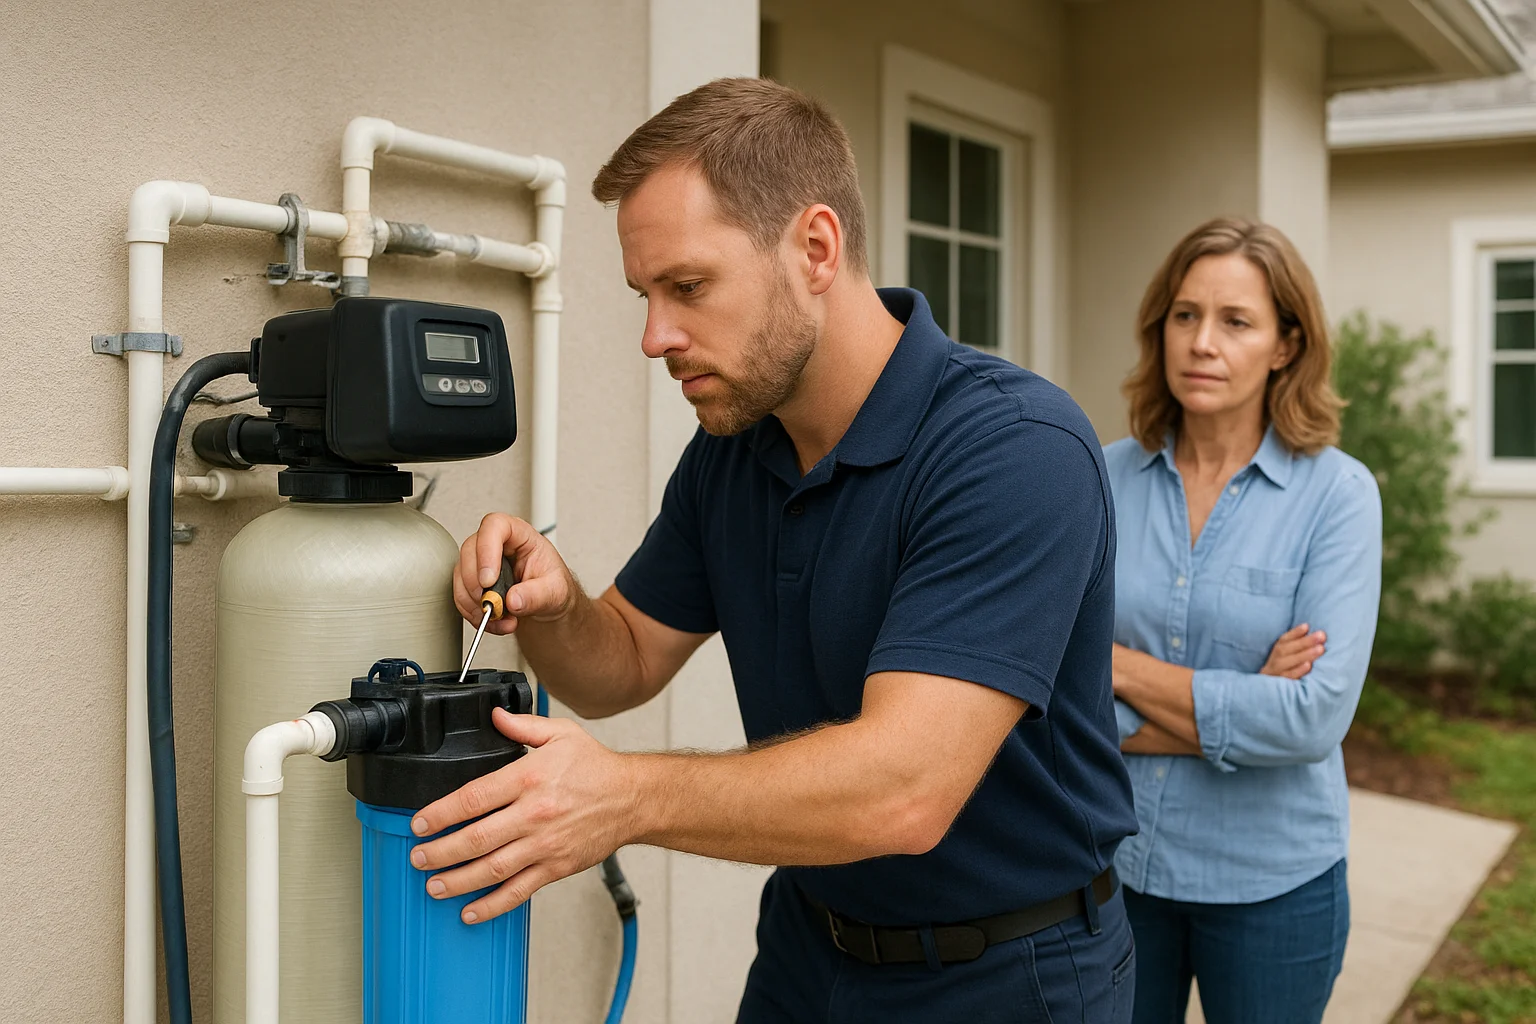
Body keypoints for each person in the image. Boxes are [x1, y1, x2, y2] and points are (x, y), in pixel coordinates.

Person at [405, 77, 1138, 1022]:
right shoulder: (734, 450)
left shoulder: (1014, 449)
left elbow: (904, 791)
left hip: (1007, 971)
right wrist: (555, 606)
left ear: (816, 249)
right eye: (644, 295)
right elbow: (620, 663)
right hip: (807, 950)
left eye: (688, 288)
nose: (654, 337)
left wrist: (624, 797)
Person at [1104, 217, 1382, 1024]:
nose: (1202, 343)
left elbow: (1311, 719)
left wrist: (1116, 665)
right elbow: (1053, 690)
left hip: (1274, 890)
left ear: (1287, 345)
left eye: (1236, 322)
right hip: (1117, 871)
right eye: (1186, 316)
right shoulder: (1102, 476)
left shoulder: (1338, 496)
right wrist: (1241, 700)